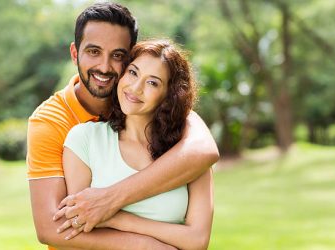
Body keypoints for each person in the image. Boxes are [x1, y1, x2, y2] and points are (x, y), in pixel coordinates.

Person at [27, 2, 219, 250]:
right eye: (94, 51)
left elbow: (204, 150)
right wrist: (147, 246)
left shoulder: (159, 112)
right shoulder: (53, 123)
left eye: (117, 55)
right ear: (75, 53)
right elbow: (52, 226)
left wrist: (110, 202)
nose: (105, 67)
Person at [56, 39, 213, 250]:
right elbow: (77, 230)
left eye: (152, 82)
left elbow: (197, 241)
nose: (136, 88)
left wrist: (117, 219)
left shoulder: (187, 154)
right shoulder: (85, 139)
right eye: (133, 72)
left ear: (169, 95)